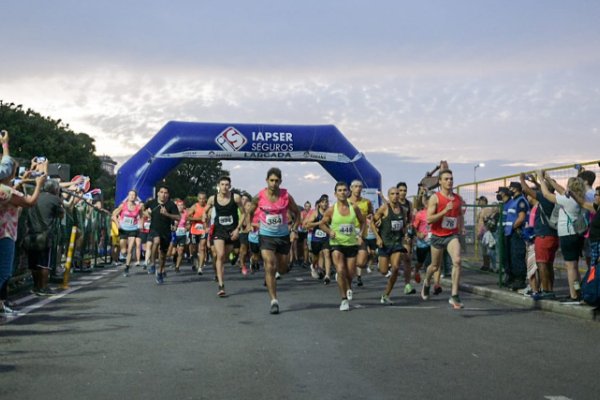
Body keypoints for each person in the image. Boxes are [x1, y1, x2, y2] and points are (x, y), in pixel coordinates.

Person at [252, 168, 300, 314]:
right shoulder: (260, 196)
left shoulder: (286, 195)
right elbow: (249, 210)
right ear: (267, 181)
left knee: (282, 268)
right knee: (269, 264)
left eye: (276, 180)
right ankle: (274, 300)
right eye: (271, 180)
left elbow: (297, 213)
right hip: (266, 235)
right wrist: (249, 224)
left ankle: (282, 269)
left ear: (280, 181)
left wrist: (294, 229)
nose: (273, 183)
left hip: (283, 235)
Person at [1, 162, 46, 315]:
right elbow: (30, 202)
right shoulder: (6, 190)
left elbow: (13, 193)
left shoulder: (5, 190)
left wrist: (23, 180)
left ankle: (1, 305)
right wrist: (39, 184)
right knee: (4, 273)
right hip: (5, 234)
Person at [420, 169, 466, 309]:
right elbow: (429, 219)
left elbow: (459, 215)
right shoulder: (436, 198)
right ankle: (427, 282)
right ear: (440, 181)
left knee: (457, 261)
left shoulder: (457, 199)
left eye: (451, 178)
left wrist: (461, 227)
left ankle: (454, 295)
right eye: (446, 179)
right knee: (434, 266)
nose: (449, 181)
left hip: (452, 235)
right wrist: (444, 211)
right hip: (437, 236)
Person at [538, 171, 587, 302]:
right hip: (576, 235)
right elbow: (561, 190)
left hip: (567, 235)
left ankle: (574, 295)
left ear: (570, 187)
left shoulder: (567, 200)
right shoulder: (578, 198)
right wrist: (549, 179)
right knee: (575, 266)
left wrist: (541, 180)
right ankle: (577, 291)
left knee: (570, 267)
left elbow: (546, 194)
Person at [319, 181, 366, 311]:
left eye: (344, 190)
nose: (342, 192)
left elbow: (363, 222)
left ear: (348, 192)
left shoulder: (354, 208)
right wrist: (329, 231)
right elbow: (322, 224)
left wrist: (360, 235)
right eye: (339, 190)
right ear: (335, 194)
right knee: (340, 269)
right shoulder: (331, 209)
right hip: (337, 244)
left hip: (351, 244)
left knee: (350, 273)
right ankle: (344, 299)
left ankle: (348, 285)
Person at [520, 173, 559, 299]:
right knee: (549, 264)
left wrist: (521, 178)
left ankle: (546, 291)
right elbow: (544, 189)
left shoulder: (544, 198)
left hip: (543, 235)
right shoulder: (554, 198)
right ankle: (550, 289)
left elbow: (526, 189)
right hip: (553, 235)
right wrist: (537, 181)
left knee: (542, 264)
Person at [204, 176, 244, 297]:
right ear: (218, 185)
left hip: (232, 231)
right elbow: (205, 211)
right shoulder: (212, 198)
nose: (224, 187)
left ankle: (224, 266)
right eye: (222, 184)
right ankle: (221, 285)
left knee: (224, 257)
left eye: (227, 184)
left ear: (230, 186)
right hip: (218, 230)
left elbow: (243, 214)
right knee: (220, 255)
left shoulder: (236, 198)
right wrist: (204, 220)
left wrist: (238, 229)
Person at [372, 187, 408, 305]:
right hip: (384, 243)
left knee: (396, 267)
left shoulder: (403, 210)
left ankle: (386, 294)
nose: (395, 196)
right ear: (388, 195)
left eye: (397, 193)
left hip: (396, 244)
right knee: (383, 271)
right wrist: (377, 237)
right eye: (392, 194)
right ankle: (380, 263)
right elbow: (372, 222)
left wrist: (406, 234)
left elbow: (404, 225)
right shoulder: (384, 208)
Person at [144, 185, 180, 284]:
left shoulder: (171, 205)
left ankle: (160, 272)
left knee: (163, 255)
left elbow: (178, 217)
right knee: (156, 241)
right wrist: (146, 213)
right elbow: (142, 208)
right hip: (154, 229)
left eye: (165, 193)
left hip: (166, 231)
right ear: (158, 193)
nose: (163, 195)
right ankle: (152, 264)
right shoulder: (152, 202)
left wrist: (167, 214)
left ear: (168, 195)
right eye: (161, 192)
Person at [112, 190, 144, 277]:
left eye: (134, 195)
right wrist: (118, 224)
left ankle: (127, 267)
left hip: (133, 229)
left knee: (130, 249)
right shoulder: (123, 205)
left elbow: (141, 216)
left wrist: (140, 225)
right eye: (130, 195)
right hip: (123, 229)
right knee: (123, 250)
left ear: (136, 197)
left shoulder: (138, 207)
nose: (132, 196)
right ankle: (125, 257)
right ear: (128, 196)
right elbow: (113, 215)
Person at [348, 180, 373, 288]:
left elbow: (372, 214)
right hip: (348, 233)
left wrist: (372, 218)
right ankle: (351, 276)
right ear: (351, 188)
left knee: (362, 262)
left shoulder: (366, 202)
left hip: (361, 233)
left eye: (360, 186)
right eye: (356, 186)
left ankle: (352, 272)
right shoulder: (346, 202)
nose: (358, 189)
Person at [304, 194, 332, 284]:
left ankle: (327, 275)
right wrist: (319, 222)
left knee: (326, 254)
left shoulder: (330, 212)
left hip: (326, 238)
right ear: (319, 204)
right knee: (316, 256)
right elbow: (307, 225)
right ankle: (313, 265)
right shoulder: (315, 213)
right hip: (316, 239)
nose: (325, 204)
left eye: (326, 202)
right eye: (323, 202)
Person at [188, 191, 209, 274]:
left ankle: (200, 267)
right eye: (200, 198)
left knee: (202, 248)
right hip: (194, 230)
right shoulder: (194, 206)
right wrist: (199, 219)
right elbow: (188, 217)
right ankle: (194, 260)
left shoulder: (208, 207)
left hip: (203, 230)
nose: (202, 200)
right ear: (198, 199)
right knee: (194, 249)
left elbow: (209, 216)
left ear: (205, 199)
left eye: (203, 199)